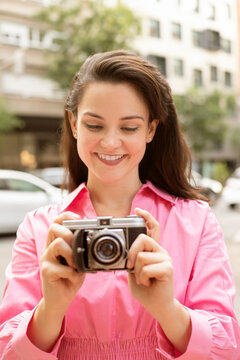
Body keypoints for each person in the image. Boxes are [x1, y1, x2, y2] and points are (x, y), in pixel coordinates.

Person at [0, 50, 239, 360]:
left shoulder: (196, 221)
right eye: (95, 126)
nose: (111, 143)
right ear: (74, 124)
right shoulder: (41, 228)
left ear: (151, 129)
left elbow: (227, 349)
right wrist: (51, 309)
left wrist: (167, 310)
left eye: (129, 128)